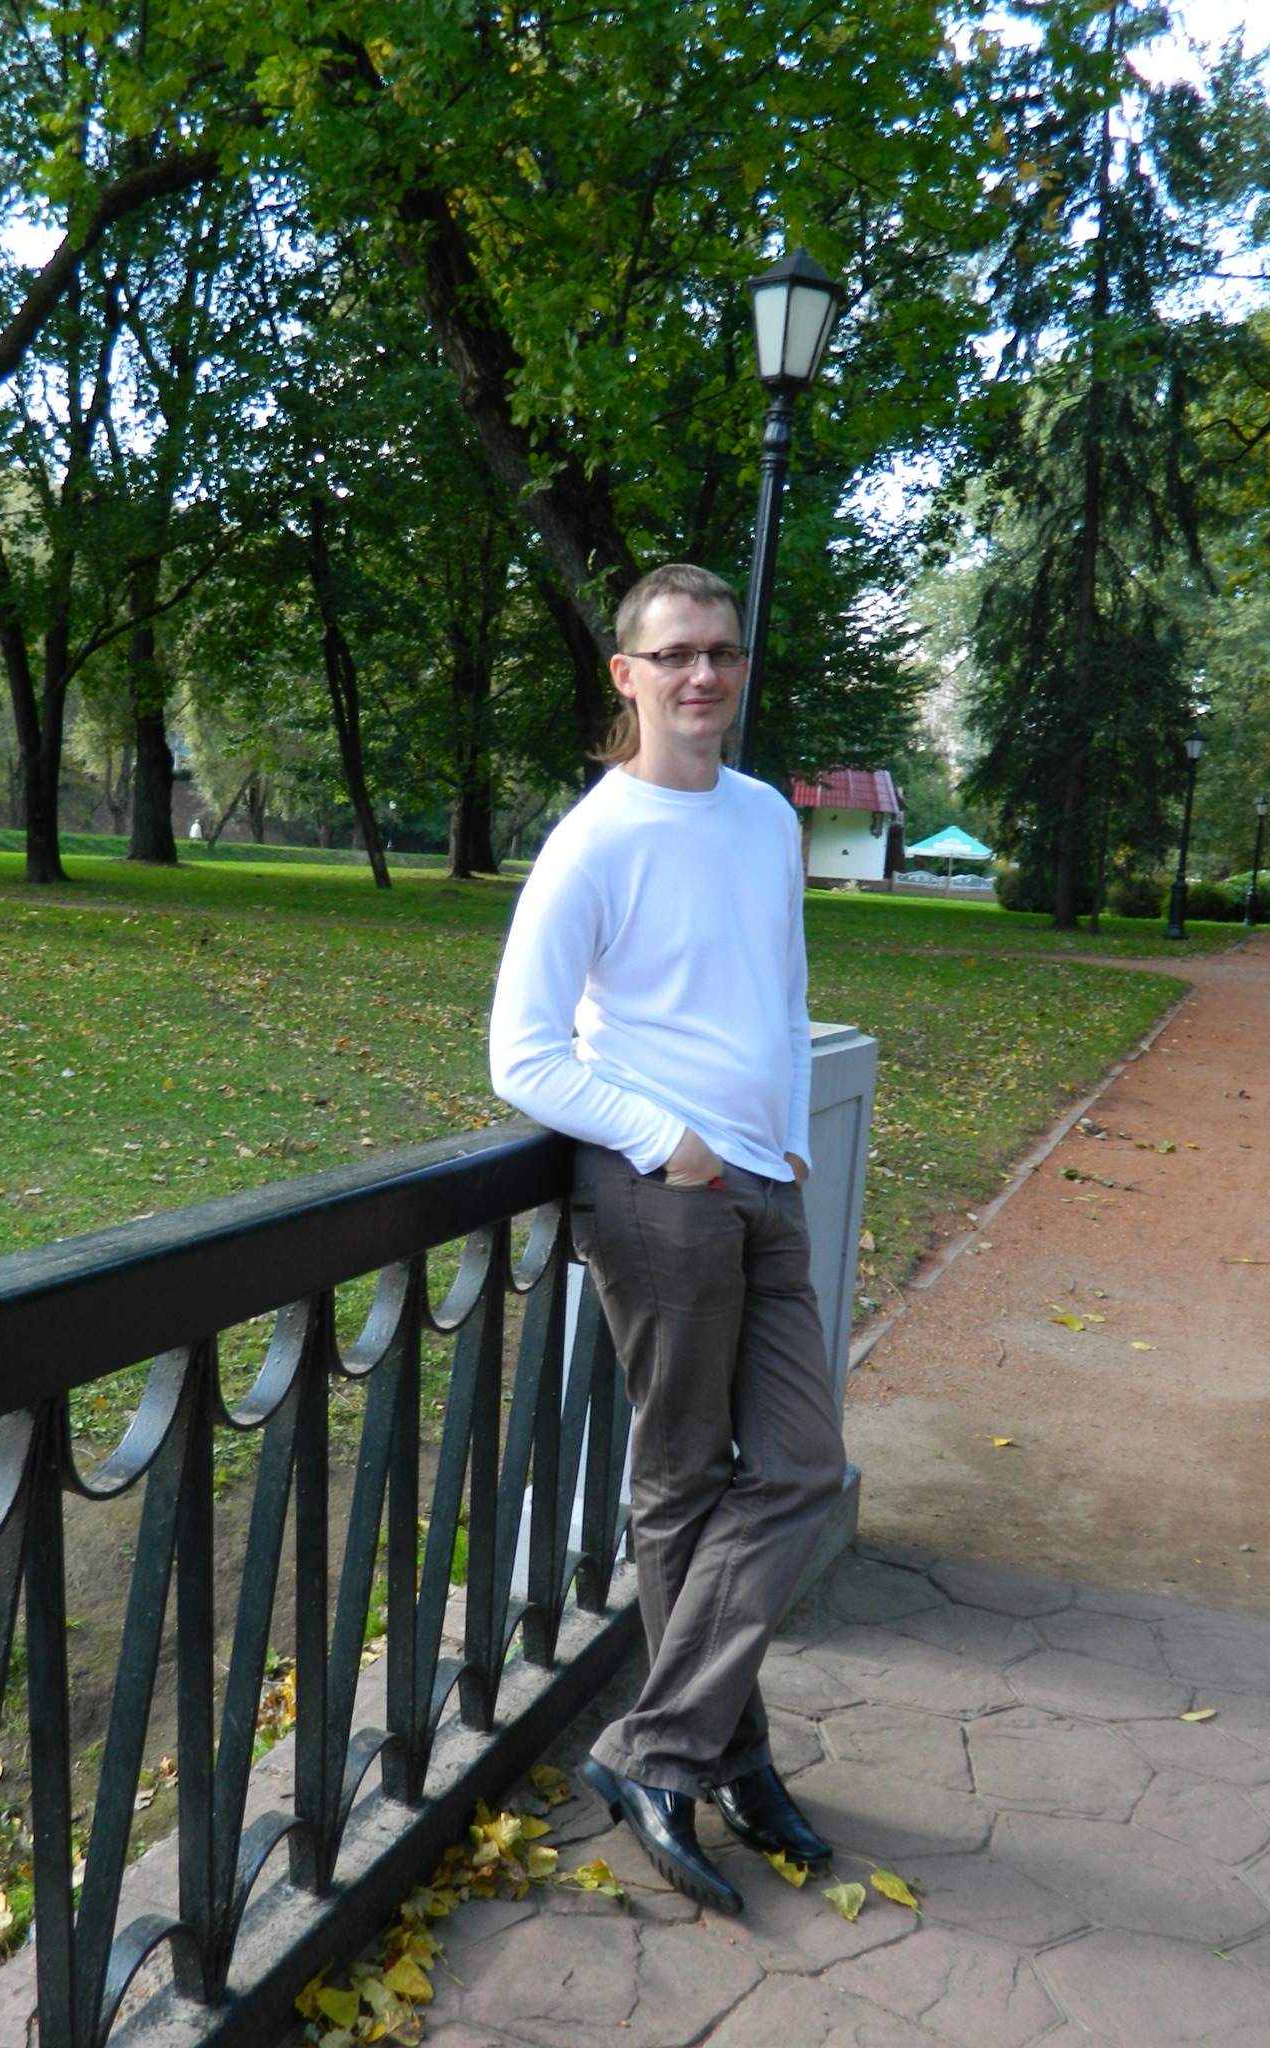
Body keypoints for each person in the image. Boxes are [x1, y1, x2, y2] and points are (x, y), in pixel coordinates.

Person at [489, 562, 845, 1914]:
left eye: (724, 652)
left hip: (767, 1183)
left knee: (800, 1465)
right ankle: (725, 1761)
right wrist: (668, 1139)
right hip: (666, 1193)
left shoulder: (762, 818)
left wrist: (785, 1133)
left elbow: (782, 992)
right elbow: (522, 1053)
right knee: (685, 1477)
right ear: (627, 676)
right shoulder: (595, 841)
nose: (705, 674)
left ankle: (664, 1749)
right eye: (678, 654)